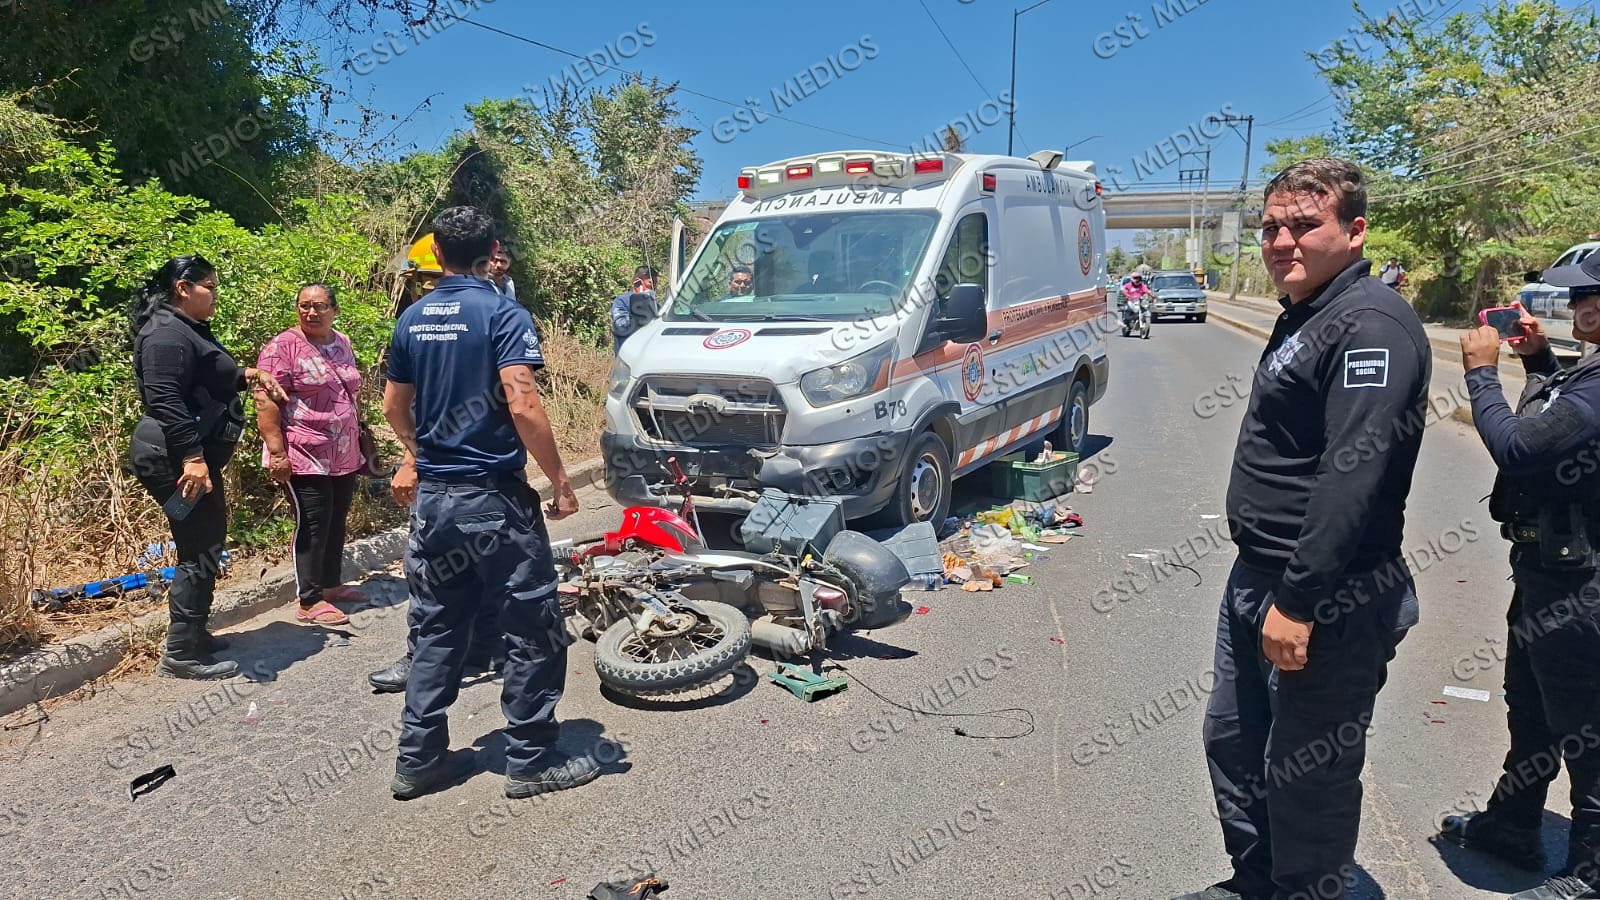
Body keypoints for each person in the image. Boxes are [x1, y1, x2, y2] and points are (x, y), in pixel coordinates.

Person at [1178, 159, 1429, 900]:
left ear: (1354, 231)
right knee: (1235, 741)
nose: (1282, 241)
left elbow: (1353, 477)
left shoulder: (1371, 323)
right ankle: (1260, 881)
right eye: (1271, 227)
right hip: (1260, 577)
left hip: (1327, 593)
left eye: (1303, 225)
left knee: (1308, 772)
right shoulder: (1310, 310)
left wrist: (1300, 600)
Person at [382, 206, 594, 801]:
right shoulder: (504, 313)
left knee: (437, 627)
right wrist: (559, 479)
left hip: (435, 506)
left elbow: (395, 406)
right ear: (490, 250)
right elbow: (522, 403)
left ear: (438, 253)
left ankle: (419, 759)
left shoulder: (414, 320)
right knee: (531, 624)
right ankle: (529, 760)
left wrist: (419, 451)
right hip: (492, 502)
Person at [1441, 251, 1600, 900]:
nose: (1571, 306)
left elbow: (1522, 448)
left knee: (1585, 732)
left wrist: (1482, 375)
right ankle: (1512, 825)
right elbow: (1559, 417)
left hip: (1581, 586)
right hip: (1546, 572)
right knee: (1531, 710)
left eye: (1585, 296)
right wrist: (1537, 363)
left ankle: (1589, 875)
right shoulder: (1585, 372)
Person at [129, 255, 288, 680]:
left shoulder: (186, 329)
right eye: (210, 288)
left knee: (206, 539)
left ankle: (194, 632)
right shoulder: (165, 334)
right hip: (173, 459)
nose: (215, 295)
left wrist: (247, 375)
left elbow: (207, 375)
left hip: (186, 457)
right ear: (184, 287)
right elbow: (164, 400)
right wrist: (193, 457)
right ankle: (180, 652)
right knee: (200, 544)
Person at [255, 284, 365, 628]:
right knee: (313, 522)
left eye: (319, 306)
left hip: (343, 451)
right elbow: (265, 399)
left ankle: (330, 585)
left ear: (335, 309)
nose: (311, 313)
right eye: (304, 306)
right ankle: (310, 598)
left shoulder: (341, 341)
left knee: (336, 517)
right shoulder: (281, 348)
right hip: (303, 451)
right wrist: (277, 452)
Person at [610, 265, 658, 354]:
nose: (654, 287)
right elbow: (620, 323)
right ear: (637, 283)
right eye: (651, 283)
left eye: (655, 283)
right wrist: (640, 306)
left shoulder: (655, 304)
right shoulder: (621, 301)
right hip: (627, 354)